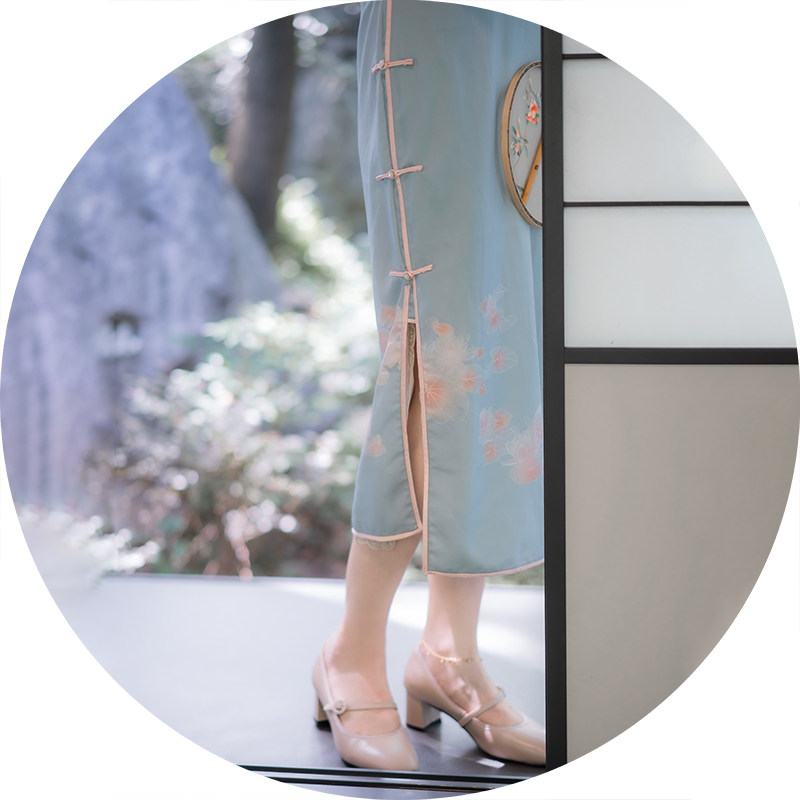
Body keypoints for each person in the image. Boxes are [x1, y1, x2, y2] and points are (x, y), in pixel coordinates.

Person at [313, 0, 546, 770]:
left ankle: (449, 651)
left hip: (515, 45)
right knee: (434, 341)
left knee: (498, 341)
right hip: (435, 37)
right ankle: (350, 653)